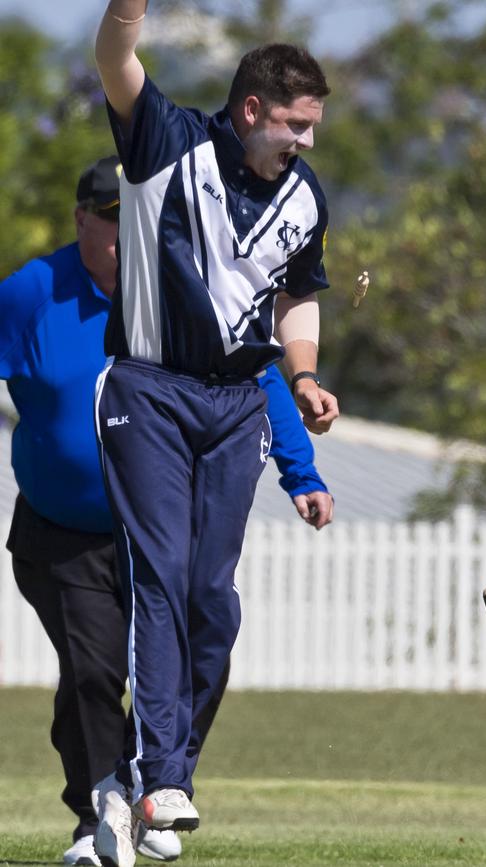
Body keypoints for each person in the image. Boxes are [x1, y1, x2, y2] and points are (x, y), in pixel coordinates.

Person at [0, 156, 334, 866]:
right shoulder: (32, 291)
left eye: (141, 221)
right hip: (67, 534)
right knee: (94, 671)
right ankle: (99, 815)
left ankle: (145, 788)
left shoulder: (185, 283)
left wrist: (299, 469)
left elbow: (253, 370)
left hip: (159, 528)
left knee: (196, 651)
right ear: (82, 219)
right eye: (114, 221)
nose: (128, 237)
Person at [92, 5, 338, 864]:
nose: (305, 141)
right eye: (295, 125)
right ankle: (163, 775)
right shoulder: (166, 139)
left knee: (212, 602)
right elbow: (114, 57)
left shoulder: (306, 196)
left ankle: (146, 782)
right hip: (150, 389)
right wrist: (128, 10)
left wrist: (302, 375)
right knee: (159, 577)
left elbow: (297, 292)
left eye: (312, 126)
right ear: (250, 111)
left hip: (238, 404)